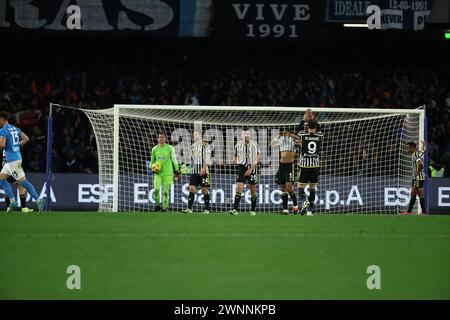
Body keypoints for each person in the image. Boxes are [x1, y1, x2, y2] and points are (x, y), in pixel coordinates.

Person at [0, 111, 44, 212]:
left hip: (11, 160)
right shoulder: (15, 128)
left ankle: (38, 200)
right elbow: (26, 139)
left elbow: (2, 145)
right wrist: (17, 146)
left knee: (22, 182)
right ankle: (13, 202)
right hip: (15, 158)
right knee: (2, 179)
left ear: (2, 119)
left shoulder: (3, 130)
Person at [294, 118, 323, 216]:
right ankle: (310, 211)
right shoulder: (320, 135)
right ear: (315, 127)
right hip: (315, 165)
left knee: (301, 188)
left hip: (304, 165)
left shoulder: (302, 135)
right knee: (312, 188)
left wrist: (303, 120)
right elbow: (318, 128)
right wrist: (313, 119)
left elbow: (297, 131)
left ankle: (305, 200)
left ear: (307, 127)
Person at [229, 127, 260, 216]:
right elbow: (234, 156)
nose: (245, 136)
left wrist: (250, 169)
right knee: (239, 189)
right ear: (241, 135)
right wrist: (236, 161)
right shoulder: (238, 145)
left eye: (247, 134)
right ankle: (235, 209)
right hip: (242, 168)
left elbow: (258, 157)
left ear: (249, 135)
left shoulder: (254, 144)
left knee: (253, 192)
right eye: (244, 134)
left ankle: (253, 210)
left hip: (252, 168)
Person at [149, 132, 180, 212]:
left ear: (165, 138)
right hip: (158, 174)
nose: (161, 139)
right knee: (156, 190)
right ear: (158, 139)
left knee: (166, 192)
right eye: (159, 137)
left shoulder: (170, 148)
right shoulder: (154, 149)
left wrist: (177, 170)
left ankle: (164, 207)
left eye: (162, 137)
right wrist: (151, 168)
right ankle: (157, 206)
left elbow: (174, 159)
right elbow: (152, 161)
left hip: (168, 173)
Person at [183, 130, 212, 214]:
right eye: (193, 134)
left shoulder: (206, 145)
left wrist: (203, 168)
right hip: (194, 171)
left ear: (200, 135)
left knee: (204, 189)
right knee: (192, 188)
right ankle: (189, 208)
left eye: (195, 134)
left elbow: (208, 158)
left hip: (204, 171)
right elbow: (192, 159)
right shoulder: (192, 146)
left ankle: (207, 209)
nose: (194, 136)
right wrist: (187, 167)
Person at [272, 128, 299, 214]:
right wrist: (276, 137)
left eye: (285, 133)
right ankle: (285, 209)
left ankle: (295, 207)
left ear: (289, 133)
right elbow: (271, 144)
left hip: (289, 166)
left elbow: (301, 140)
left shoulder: (293, 140)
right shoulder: (281, 140)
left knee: (289, 188)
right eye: (283, 133)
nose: (284, 134)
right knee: (283, 188)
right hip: (282, 166)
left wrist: (293, 136)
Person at [402, 141, 426, 214]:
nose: (407, 149)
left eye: (408, 147)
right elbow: (422, 150)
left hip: (418, 177)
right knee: (413, 193)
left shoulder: (415, 154)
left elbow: (420, 164)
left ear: (413, 148)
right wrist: (423, 146)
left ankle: (423, 212)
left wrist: (417, 173)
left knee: (420, 194)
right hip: (417, 177)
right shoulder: (418, 152)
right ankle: (409, 212)